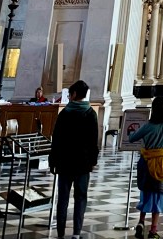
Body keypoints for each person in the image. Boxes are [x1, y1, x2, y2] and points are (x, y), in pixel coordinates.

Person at [49, 79, 99, 239]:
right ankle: (76, 233)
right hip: (83, 164)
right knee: (81, 198)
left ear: (74, 94)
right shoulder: (91, 114)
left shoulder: (65, 114)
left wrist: (52, 161)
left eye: (70, 94)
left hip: (65, 162)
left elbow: (56, 139)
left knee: (63, 199)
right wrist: (93, 161)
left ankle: (60, 233)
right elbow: (93, 141)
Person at [129, 96, 163, 239]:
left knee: (146, 193)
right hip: (162, 164)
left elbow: (132, 138)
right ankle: (153, 231)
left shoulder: (148, 125)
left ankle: (141, 222)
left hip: (147, 163)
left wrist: (131, 131)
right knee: (159, 195)